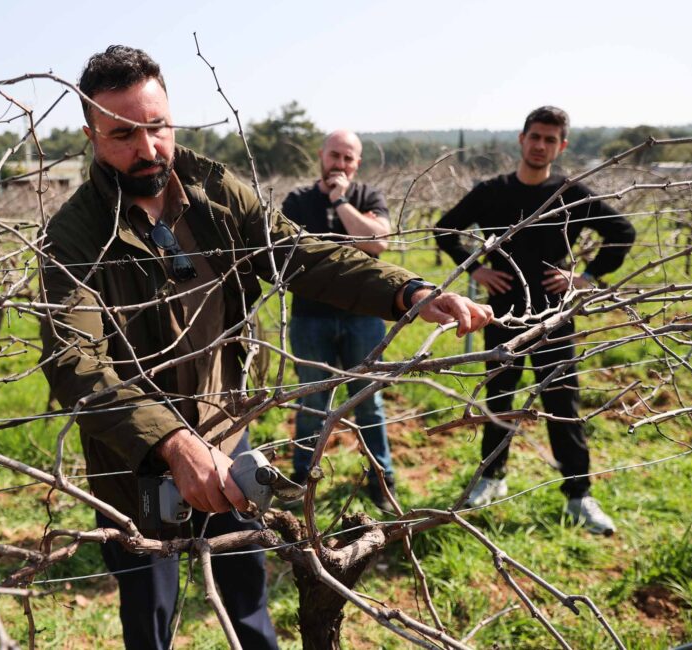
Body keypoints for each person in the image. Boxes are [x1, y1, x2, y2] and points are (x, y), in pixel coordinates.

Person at [39, 45, 493, 649]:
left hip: (228, 438)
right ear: (91, 135)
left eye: (158, 126)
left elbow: (299, 254)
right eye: (123, 134)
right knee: (150, 615)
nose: (148, 149)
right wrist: (171, 443)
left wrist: (404, 290)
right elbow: (75, 361)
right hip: (135, 465)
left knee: (249, 602)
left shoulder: (214, 194)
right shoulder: (74, 235)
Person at [434, 106, 636, 535]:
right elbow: (444, 229)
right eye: (535, 137)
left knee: (562, 402)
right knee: (499, 397)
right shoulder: (491, 192)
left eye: (550, 139)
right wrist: (476, 269)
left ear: (561, 146)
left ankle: (579, 496)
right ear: (521, 139)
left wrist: (586, 276)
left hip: (553, 313)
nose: (541, 145)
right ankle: (492, 477)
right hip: (502, 312)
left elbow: (622, 231)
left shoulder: (571, 193)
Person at [282, 129, 398, 510]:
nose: (340, 164)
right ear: (321, 155)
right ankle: (302, 478)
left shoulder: (368, 197)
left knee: (368, 402)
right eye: (335, 155)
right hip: (310, 317)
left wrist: (341, 201)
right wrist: (357, 229)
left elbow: (377, 242)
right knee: (311, 402)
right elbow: (291, 253)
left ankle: (381, 479)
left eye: (348, 158)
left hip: (363, 317)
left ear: (357, 163)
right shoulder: (297, 201)